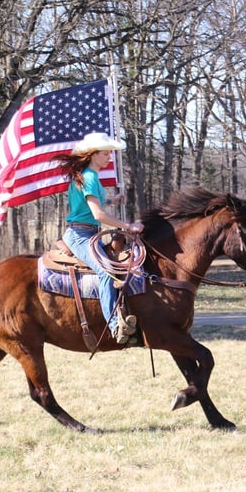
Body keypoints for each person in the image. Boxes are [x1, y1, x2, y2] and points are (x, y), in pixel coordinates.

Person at [57, 132, 144, 344]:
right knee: (105, 271)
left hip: (89, 232)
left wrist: (113, 200)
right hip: (80, 235)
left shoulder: (90, 176)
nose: (109, 158)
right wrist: (128, 226)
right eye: (106, 154)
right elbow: (98, 215)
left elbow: (94, 206)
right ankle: (115, 325)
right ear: (94, 155)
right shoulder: (89, 177)